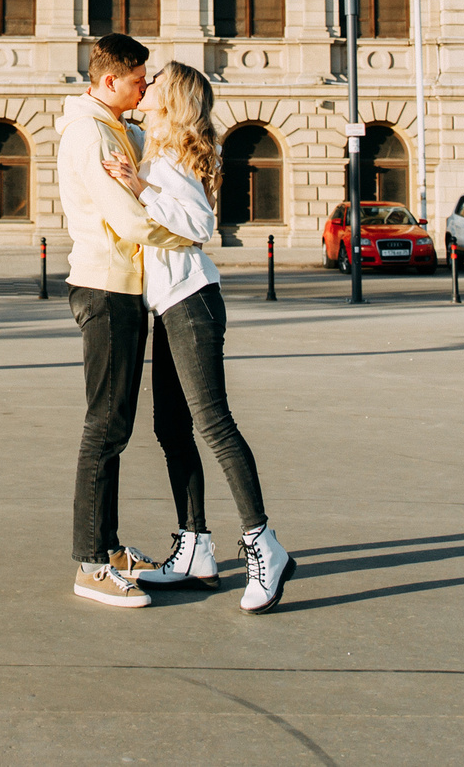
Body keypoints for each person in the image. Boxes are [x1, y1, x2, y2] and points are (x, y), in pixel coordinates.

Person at [102, 60, 293, 613]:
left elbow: (201, 223)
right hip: (170, 305)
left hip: (192, 302)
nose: (146, 83)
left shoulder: (172, 157)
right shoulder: (156, 147)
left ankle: (263, 543)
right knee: (170, 426)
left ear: (172, 98)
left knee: (213, 423)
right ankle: (195, 547)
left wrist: (141, 187)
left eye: (155, 81)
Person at [57, 33, 192, 608]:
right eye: (138, 81)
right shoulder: (90, 134)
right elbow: (131, 222)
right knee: (105, 428)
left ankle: (108, 548)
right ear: (109, 81)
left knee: (115, 425)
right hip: (106, 287)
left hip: (122, 287)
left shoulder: (115, 127)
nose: (144, 90)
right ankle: (90, 563)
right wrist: (191, 235)